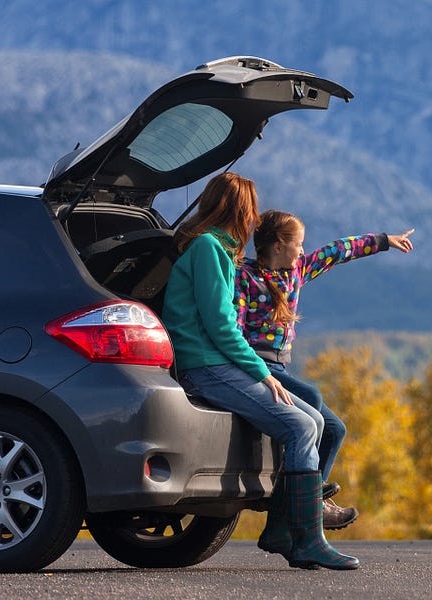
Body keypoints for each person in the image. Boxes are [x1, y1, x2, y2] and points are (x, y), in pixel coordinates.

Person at [162, 173, 358, 571]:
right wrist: (262, 373)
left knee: (316, 421)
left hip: (217, 362)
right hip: (207, 366)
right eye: (250, 209)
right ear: (239, 209)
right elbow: (220, 326)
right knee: (302, 426)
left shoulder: (216, 250)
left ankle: (286, 530)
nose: (254, 220)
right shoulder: (208, 249)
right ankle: (307, 540)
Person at [236, 209, 415, 531]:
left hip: (282, 365)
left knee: (335, 430)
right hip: (258, 365)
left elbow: (338, 251)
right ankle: (305, 502)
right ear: (278, 245)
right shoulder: (244, 277)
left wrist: (384, 241)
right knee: (312, 398)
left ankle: (312, 494)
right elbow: (233, 329)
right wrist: (250, 369)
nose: (303, 251)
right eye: (299, 244)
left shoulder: (297, 271)